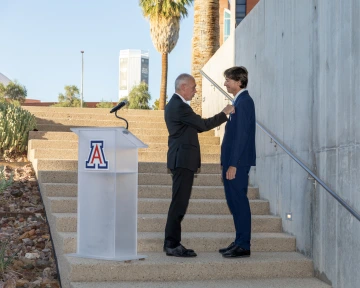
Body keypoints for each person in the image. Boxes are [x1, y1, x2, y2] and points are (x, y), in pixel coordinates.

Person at [164, 73, 234, 257]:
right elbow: (202, 125)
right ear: (184, 87)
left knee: (179, 203)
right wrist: (224, 113)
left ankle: (172, 243)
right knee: (179, 204)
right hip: (182, 160)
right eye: (194, 87)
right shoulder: (179, 106)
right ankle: (172, 244)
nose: (195, 91)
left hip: (181, 160)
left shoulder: (176, 105)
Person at [218, 66, 256, 258]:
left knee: (239, 202)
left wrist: (233, 164)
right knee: (234, 202)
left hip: (237, 164)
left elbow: (241, 136)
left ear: (239, 81)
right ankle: (239, 240)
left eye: (228, 80)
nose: (225, 83)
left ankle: (244, 245)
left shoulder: (245, 102)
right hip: (232, 162)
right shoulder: (238, 101)